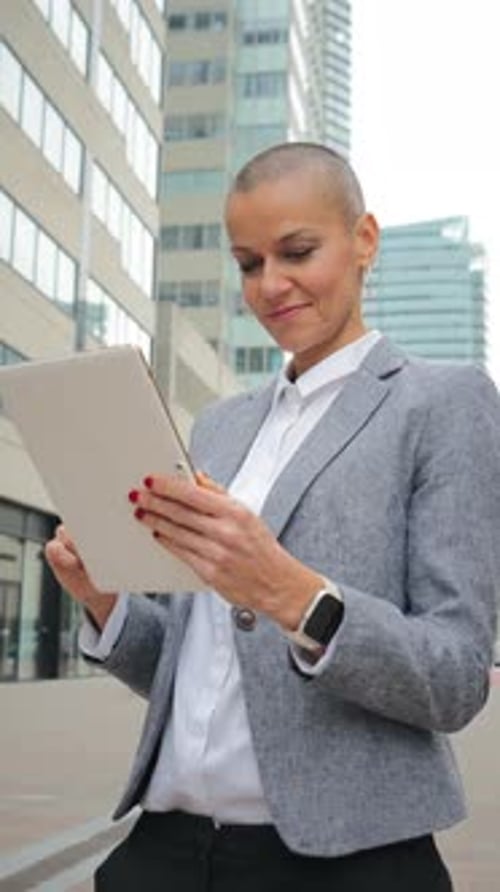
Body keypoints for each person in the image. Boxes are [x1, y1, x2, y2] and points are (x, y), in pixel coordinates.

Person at [45, 142, 500, 892]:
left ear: (364, 241)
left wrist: (294, 595)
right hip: (163, 854)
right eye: (249, 263)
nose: (271, 285)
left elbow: (455, 678)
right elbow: (195, 668)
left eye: (297, 251)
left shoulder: (444, 403)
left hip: (343, 863)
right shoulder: (218, 428)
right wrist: (105, 600)